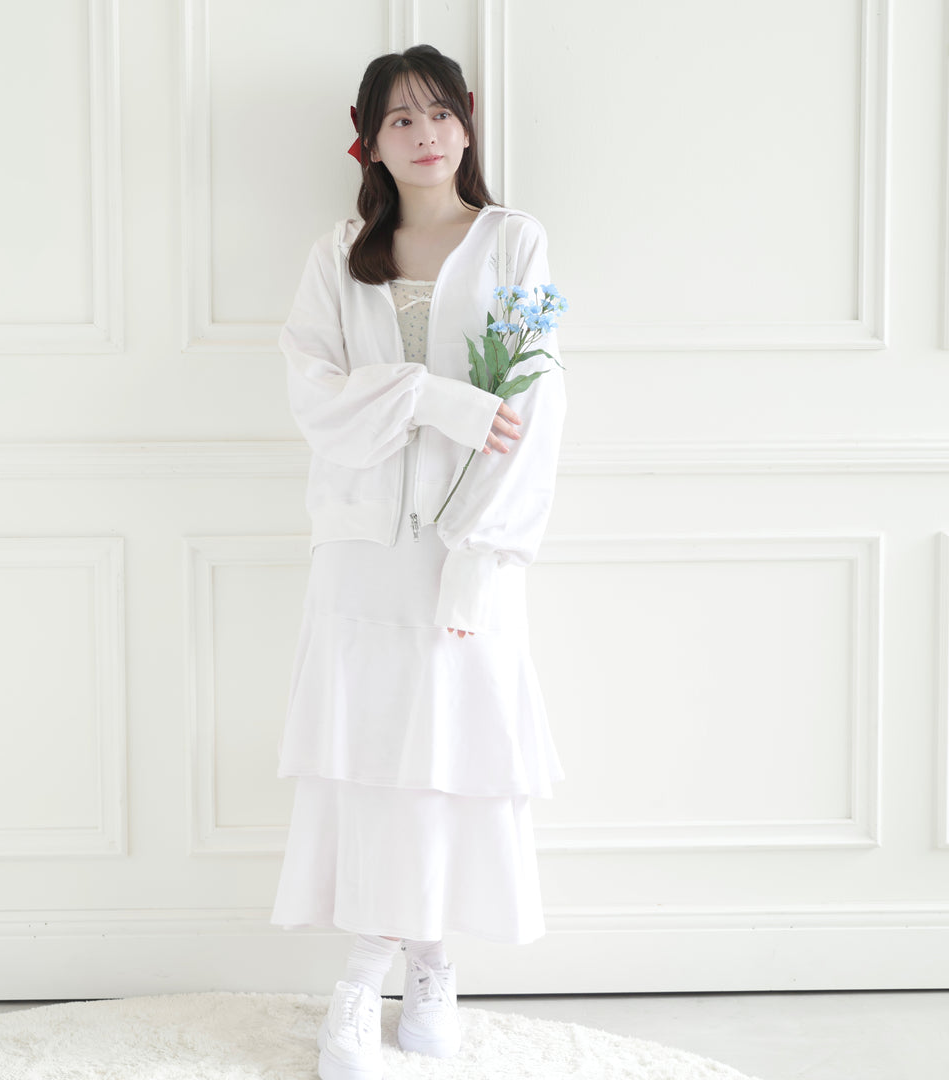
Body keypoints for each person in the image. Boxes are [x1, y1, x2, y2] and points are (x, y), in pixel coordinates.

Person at [270, 43, 566, 1080]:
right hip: (361, 554)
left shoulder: (515, 242)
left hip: (468, 548)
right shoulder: (338, 255)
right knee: (372, 763)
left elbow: (535, 407)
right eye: (400, 118)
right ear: (369, 141)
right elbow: (314, 398)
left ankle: (416, 968)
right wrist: (431, 398)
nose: (425, 133)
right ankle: (375, 977)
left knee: (447, 759)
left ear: (466, 124)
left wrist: (486, 553)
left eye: (440, 112)